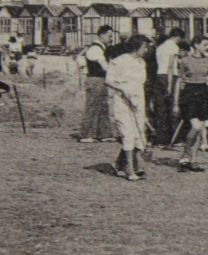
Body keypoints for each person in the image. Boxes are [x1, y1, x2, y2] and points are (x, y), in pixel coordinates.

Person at [104, 35, 151, 181]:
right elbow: (109, 80)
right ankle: (130, 169)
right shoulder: (120, 61)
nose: (146, 50)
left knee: (138, 133)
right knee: (128, 133)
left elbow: (140, 83)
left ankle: (128, 165)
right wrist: (123, 90)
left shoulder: (141, 62)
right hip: (122, 101)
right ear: (137, 46)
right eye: (145, 47)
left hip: (138, 100)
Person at [172, 36, 208, 173]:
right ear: (196, 45)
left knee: (200, 130)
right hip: (190, 93)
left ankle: (191, 160)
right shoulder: (185, 61)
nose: (207, 47)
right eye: (205, 45)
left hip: (204, 93)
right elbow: (179, 82)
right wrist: (175, 102)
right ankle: (185, 155)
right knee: (195, 126)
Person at [75, 28, 114, 141]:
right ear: (101, 35)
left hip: (101, 80)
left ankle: (104, 134)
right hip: (95, 79)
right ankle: (86, 134)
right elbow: (104, 66)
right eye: (109, 35)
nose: (111, 38)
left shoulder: (101, 48)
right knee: (92, 107)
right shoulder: (95, 49)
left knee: (103, 107)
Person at [152, 28, 183, 145]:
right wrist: (170, 85)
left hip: (159, 75)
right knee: (173, 107)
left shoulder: (160, 47)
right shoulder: (174, 47)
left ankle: (161, 138)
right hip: (170, 76)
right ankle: (174, 138)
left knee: (161, 108)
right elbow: (170, 66)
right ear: (178, 37)